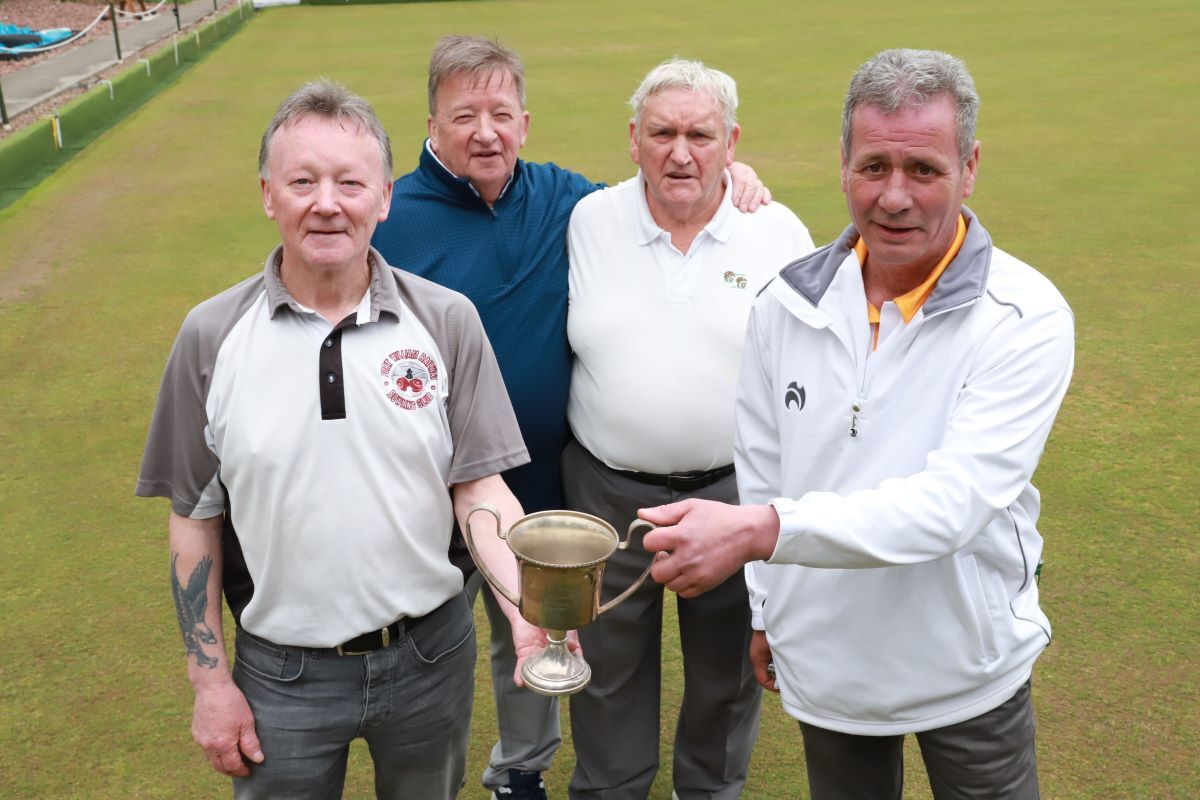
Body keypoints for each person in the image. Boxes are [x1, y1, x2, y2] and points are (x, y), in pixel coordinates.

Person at [639, 49, 1075, 799]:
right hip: (830, 662)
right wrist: (770, 608)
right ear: (843, 164)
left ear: (969, 168)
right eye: (874, 166)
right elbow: (766, 467)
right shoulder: (785, 304)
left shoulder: (1025, 315)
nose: (894, 197)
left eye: (924, 170)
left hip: (967, 668)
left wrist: (757, 534)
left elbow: (953, 506)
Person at [369, 35, 769, 800]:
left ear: (525, 121)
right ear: (432, 121)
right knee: (439, 637)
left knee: (526, 628)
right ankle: (445, 772)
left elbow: (666, 185)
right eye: (464, 115)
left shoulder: (569, 202)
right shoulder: (390, 214)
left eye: (500, 113)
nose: (484, 132)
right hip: (420, 475)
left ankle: (520, 768)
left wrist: (734, 176)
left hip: (545, 477)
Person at [136, 79, 546, 799]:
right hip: (280, 674)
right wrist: (209, 684)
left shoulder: (448, 321)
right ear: (269, 194)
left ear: (384, 198)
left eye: (350, 182)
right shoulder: (210, 336)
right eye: (303, 180)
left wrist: (525, 614)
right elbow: (193, 521)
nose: (327, 202)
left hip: (429, 659)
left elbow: (479, 488)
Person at [562, 59, 815, 800]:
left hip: (731, 493)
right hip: (606, 492)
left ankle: (708, 792)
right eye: (662, 132)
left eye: (700, 134)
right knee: (605, 673)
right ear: (633, 139)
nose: (680, 152)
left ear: (730, 142)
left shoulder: (776, 229)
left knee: (727, 675)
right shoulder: (589, 218)